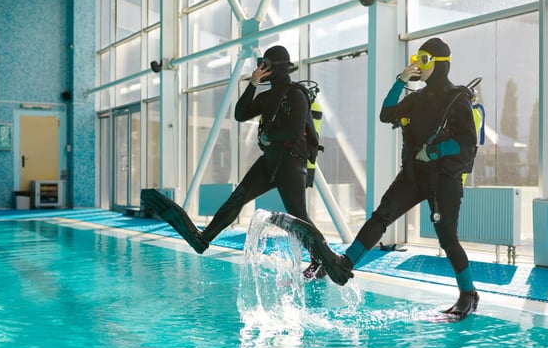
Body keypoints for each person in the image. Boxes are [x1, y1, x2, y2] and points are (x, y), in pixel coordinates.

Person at [141, 45, 350, 285]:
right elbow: (240, 114)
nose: (262, 67)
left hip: (291, 162)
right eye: (261, 63)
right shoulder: (267, 94)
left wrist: (270, 138)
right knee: (238, 197)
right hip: (270, 161)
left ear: (278, 66)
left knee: (299, 216)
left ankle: (323, 261)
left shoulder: (296, 94)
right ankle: (203, 239)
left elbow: (294, 129)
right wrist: (252, 84)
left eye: (266, 64)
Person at [336, 37, 480, 318]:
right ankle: (346, 263)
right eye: (416, 59)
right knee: (382, 215)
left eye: (424, 60)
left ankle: (468, 294)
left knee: (447, 239)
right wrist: (400, 81)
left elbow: (467, 141)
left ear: (440, 65)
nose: (418, 65)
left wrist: (435, 152)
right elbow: (386, 114)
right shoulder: (416, 98)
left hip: (444, 179)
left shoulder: (457, 99)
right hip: (414, 175)